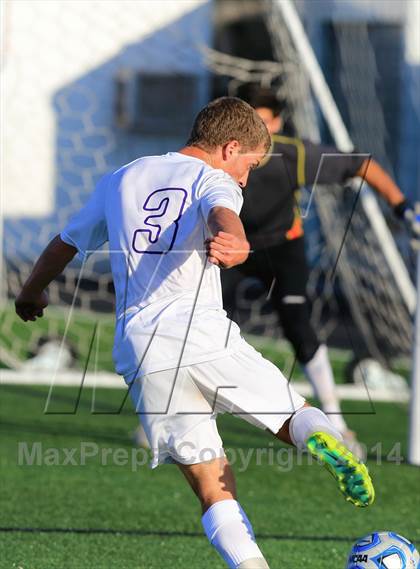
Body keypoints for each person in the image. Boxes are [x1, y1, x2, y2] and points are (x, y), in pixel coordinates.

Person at [15, 97, 374, 569]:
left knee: (211, 485)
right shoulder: (215, 179)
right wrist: (239, 240)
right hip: (199, 332)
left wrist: (31, 292)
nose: (246, 178)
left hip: (139, 349)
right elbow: (225, 213)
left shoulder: (121, 178)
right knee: (291, 411)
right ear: (229, 149)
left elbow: (66, 243)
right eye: (248, 165)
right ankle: (323, 439)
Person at [223, 85, 414, 453]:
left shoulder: (293, 154)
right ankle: (175, 423)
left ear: (276, 122)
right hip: (228, 247)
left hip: (282, 247)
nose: (254, 135)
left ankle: (337, 425)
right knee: (201, 328)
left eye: (263, 123)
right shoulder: (220, 154)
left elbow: (362, 164)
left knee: (300, 328)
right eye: (247, 122)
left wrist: (402, 205)